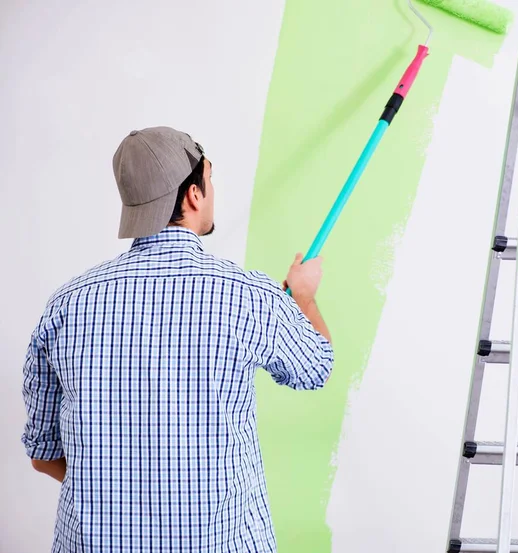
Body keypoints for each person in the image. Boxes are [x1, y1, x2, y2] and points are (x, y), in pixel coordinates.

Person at [21, 126, 334, 553]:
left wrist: (118, 496)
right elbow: (316, 367)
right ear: (193, 194)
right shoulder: (247, 296)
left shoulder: (66, 306)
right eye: (210, 177)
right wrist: (304, 298)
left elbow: (43, 454)